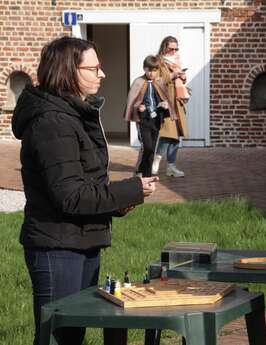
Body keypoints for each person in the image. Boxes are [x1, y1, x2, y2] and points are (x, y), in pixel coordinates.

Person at [11, 36, 157, 345]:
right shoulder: (52, 122)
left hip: (80, 242)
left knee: (71, 337)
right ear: (68, 71)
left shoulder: (72, 114)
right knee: (57, 338)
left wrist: (118, 203)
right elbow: (70, 196)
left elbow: (83, 184)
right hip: (57, 247)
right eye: (94, 68)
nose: (101, 74)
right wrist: (129, 190)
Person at [124, 55, 169, 177]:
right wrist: (138, 107)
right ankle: (139, 170)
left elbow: (164, 97)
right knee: (147, 146)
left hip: (156, 119)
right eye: (149, 70)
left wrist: (164, 104)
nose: (152, 73)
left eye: (154, 70)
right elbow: (132, 100)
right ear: (144, 69)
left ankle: (147, 174)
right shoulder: (138, 82)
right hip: (143, 119)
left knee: (152, 148)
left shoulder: (159, 82)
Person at [153, 36, 189, 178]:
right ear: (164, 47)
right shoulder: (158, 61)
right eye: (171, 48)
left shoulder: (176, 62)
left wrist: (183, 76)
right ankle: (155, 162)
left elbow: (180, 80)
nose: (174, 51)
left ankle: (171, 167)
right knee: (167, 134)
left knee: (176, 136)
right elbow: (156, 80)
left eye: (176, 48)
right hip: (166, 101)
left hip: (177, 102)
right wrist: (173, 75)